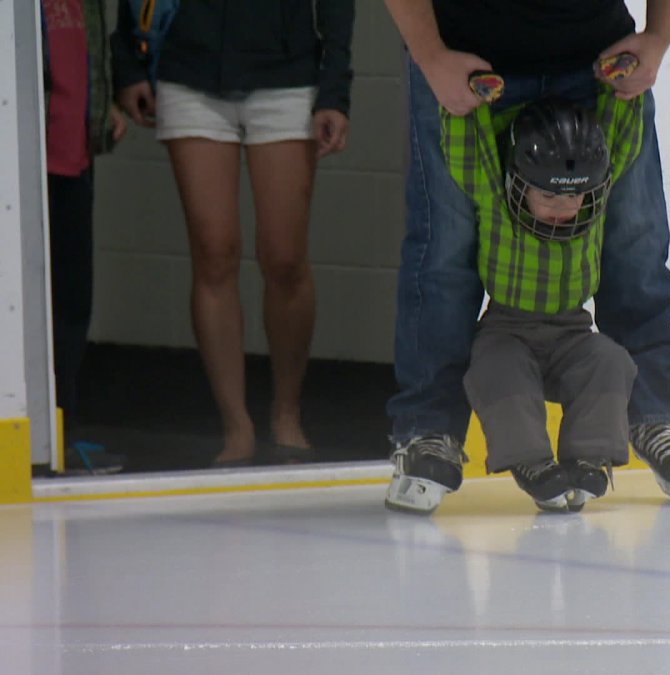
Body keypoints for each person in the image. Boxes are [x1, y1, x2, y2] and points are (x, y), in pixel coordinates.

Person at [383, 0, 670, 512]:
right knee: (443, 253)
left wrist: (659, 37)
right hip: (463, 64)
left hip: (600, 64)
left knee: (635, 241)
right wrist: (430, 54)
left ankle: (654, 415)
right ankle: (428, 432)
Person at [110, 0, 355, 466]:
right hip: (187, 72)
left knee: (284, 259)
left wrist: (334, 89)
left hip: (289, 75)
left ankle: (287, 412)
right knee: (214, 252)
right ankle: (235, 425)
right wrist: (128, 61)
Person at [395, 98, 639, 514]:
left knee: (612, 361)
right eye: (547, 195)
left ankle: (588, 456)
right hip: (507, 331)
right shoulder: (495, 200)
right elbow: (467, 152)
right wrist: (467, 104)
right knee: (495, 368)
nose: (562, 209)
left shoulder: (595, 207)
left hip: (574, 333)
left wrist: (623, 93)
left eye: (576, 195)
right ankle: (531, 460)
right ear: (518, 181)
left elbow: (622, 138)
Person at [42, 0, 129, 474]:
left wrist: (104, 105)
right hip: (27, 160)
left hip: (73, 154)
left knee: (72, 300)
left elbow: (84, 49)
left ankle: (63, 428)